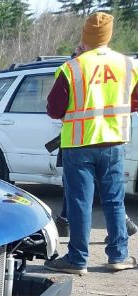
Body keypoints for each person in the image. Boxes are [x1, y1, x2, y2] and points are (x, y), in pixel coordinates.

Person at [44, 12, 138, 275]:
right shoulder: (128, 65)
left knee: (79, 202)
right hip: (113, 141)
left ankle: (77, 259)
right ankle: (119, 255)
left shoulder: (73, 67)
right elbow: (134, 100)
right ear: (109, 36)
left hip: (78, 142)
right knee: (114, 200)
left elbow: (54, 109)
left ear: (85, 37)